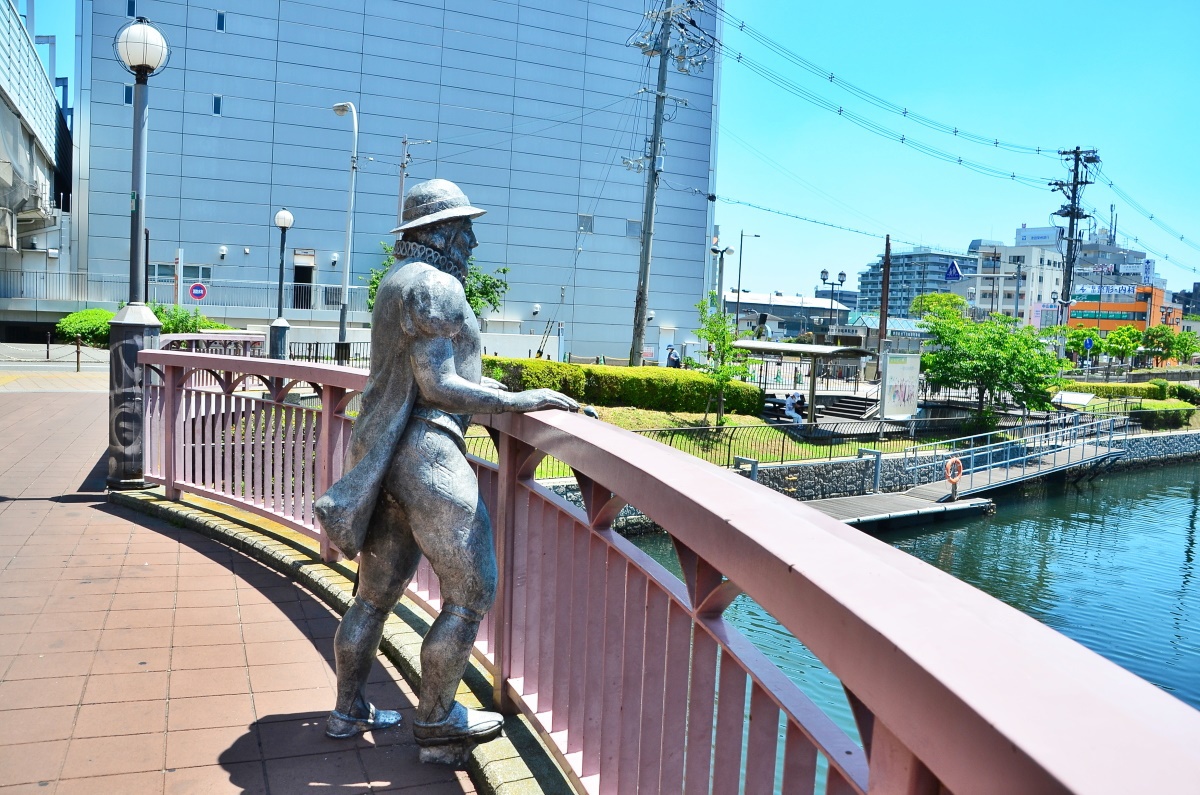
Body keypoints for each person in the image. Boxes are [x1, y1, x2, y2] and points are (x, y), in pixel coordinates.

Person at [313, 179, 577, 760]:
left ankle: (346, 709)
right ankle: (436, 721)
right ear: (442, 232)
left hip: (381, 456)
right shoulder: (438, 287)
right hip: (428, 453)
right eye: (466, 228)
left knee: (372, 597)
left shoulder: (394, 284)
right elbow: (437, 384)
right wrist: (519, 401)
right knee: (471, 590)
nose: (473, 239)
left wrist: (489, 391)